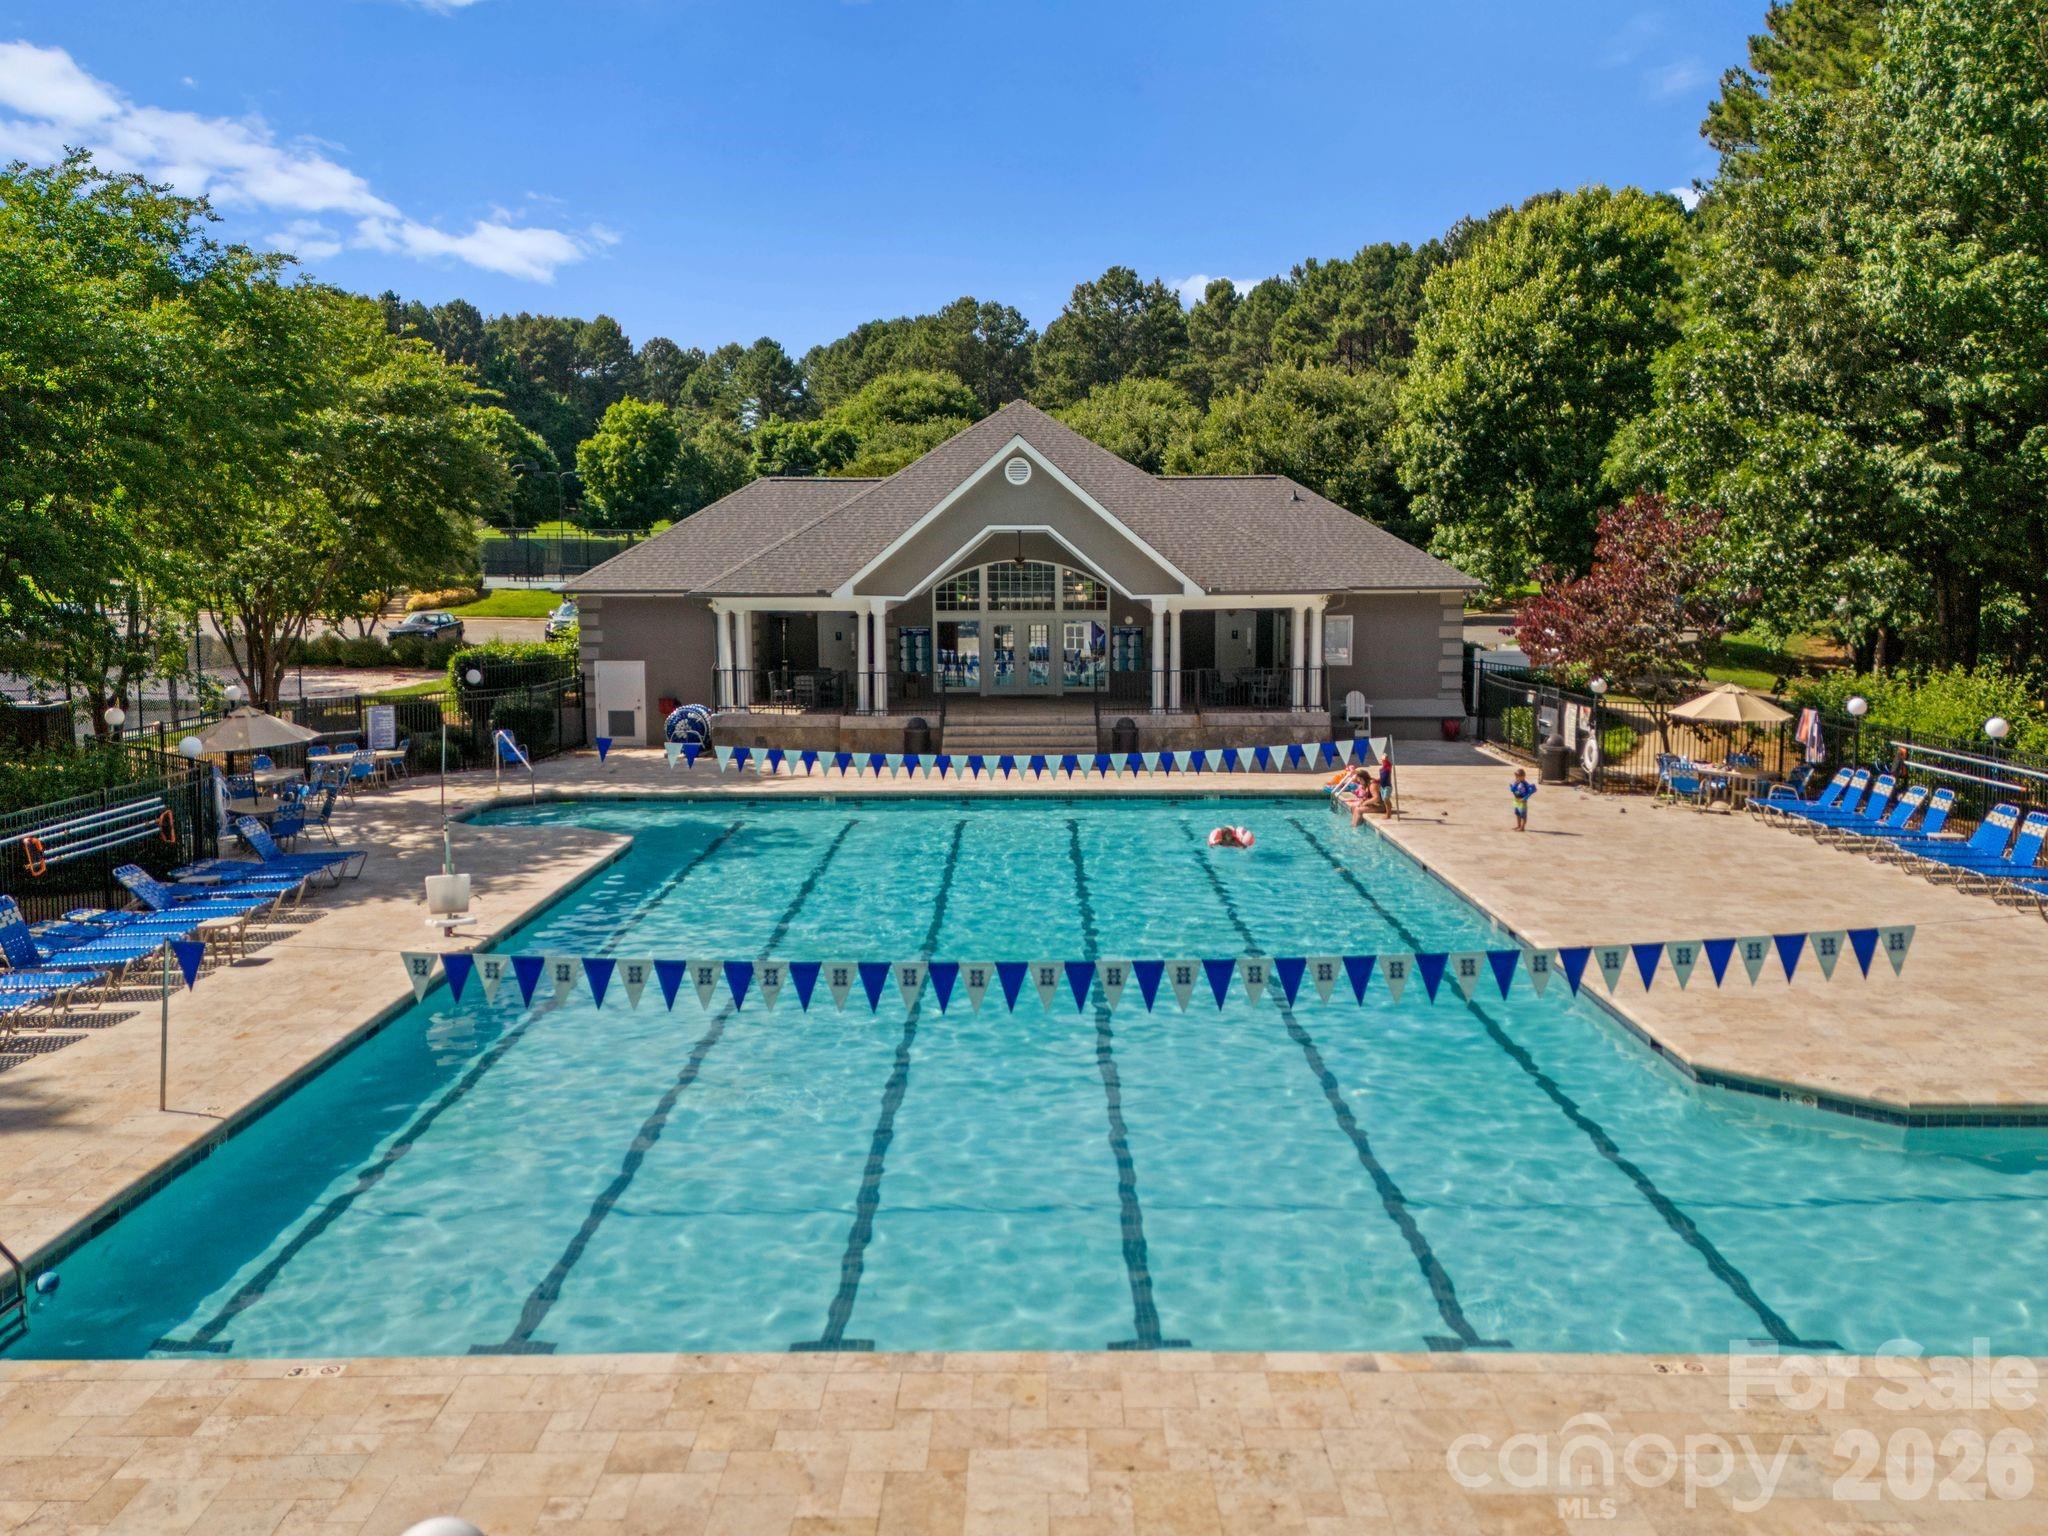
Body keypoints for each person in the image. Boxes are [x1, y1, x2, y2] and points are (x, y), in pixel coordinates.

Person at [1510, 767, 1537, 831]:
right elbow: (1513, 790)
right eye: (1516, 776)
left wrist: (1524, 798)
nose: (1517, 778)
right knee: (1517, 813)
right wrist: (1512, 786)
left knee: (1523, 815)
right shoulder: (1516, 782)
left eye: (1518, 776)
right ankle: (1518, 825)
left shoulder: (1525, 784)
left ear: (1523, 776)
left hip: (1522, 801)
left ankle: (1522, 827)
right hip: (1517, 800)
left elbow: (1530, 792)